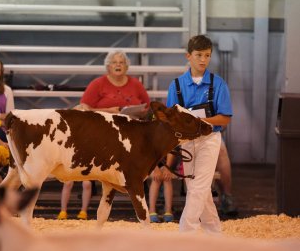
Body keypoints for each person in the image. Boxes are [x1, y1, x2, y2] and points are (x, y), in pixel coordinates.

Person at [57, 49, 150, 220]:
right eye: (114, 62)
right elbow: (83, 107)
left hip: (131, 133)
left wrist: (136, 112)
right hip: (104, 135)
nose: (118, 65)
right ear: (108, 66)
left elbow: (147, 107)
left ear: (127, 66)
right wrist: (108, 110)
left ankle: (140, 204)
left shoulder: (136, 84)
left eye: (121, 62)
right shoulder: (98, 84)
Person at [166, 35, 233, 234]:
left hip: (210, 139)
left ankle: (185, 237)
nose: (203, 59)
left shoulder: (218, 84)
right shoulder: (176, 85)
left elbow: (225, 118)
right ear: (188, 56)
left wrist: (198, 121)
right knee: (200, 191)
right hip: (186, 141)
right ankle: (215, 236)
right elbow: (171, 120)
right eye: (198, 55)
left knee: (198, 187)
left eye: (207, 55)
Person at [216, 139, 238, 216]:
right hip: (179, 133)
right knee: (176, 146)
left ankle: (226, 198)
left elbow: (223, 126)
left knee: (220, 148)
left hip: (206, 134)